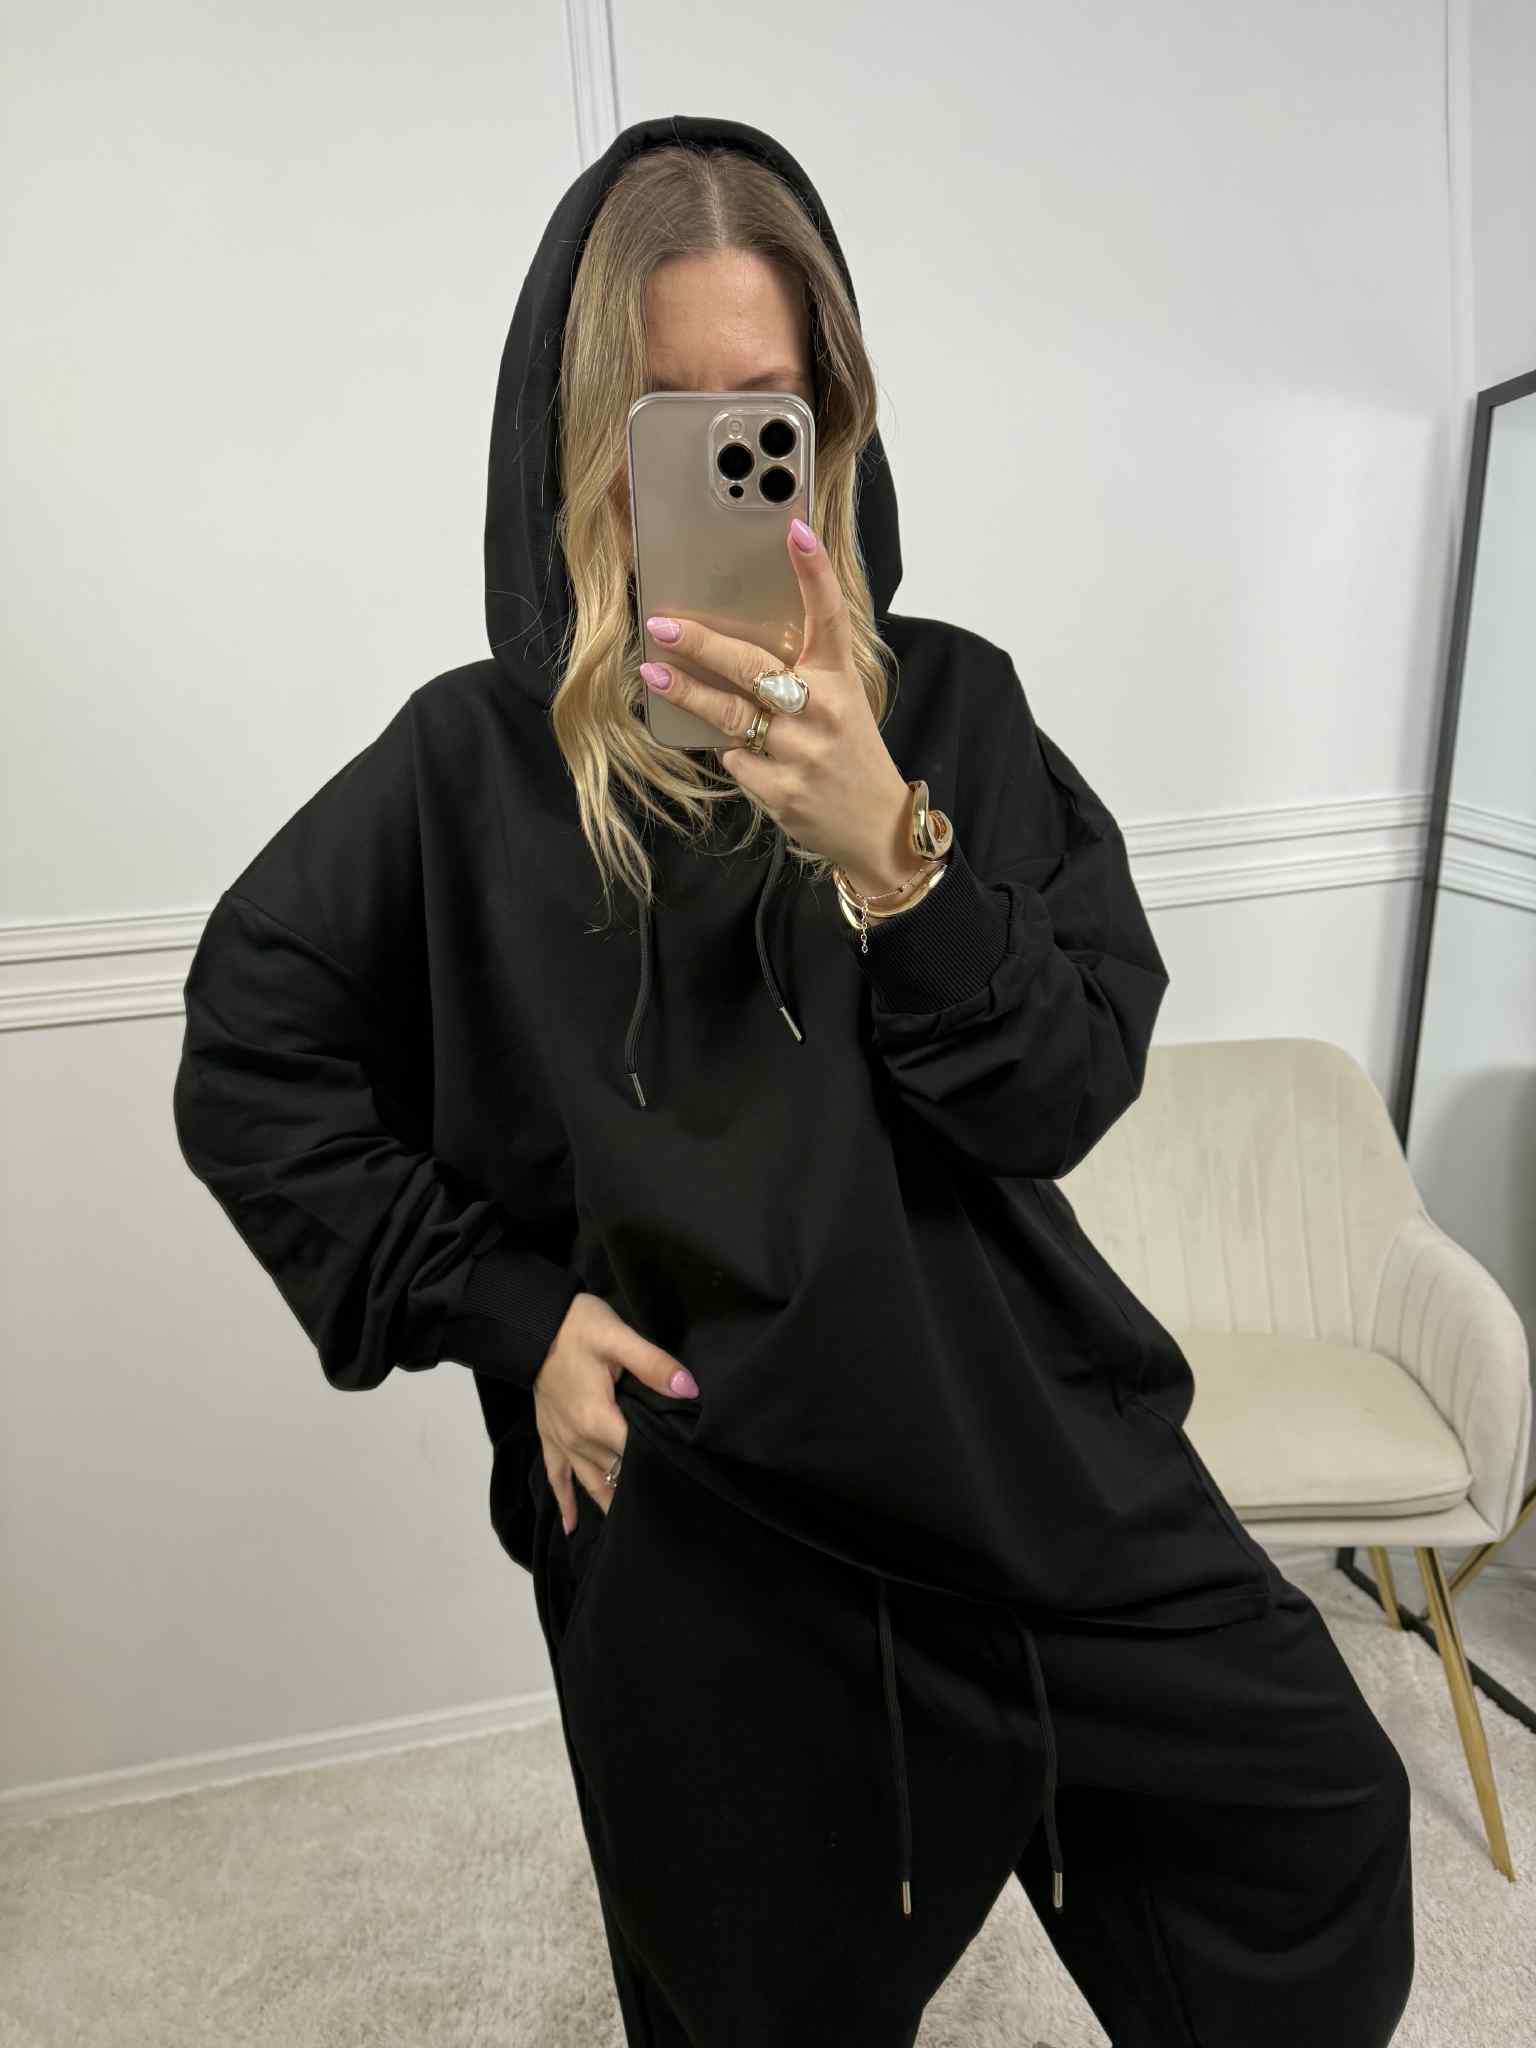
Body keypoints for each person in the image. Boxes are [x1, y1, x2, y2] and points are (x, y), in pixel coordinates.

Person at [173, 112, 1415, 2048]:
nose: (722, 456)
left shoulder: (955, 711)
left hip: (1020, 1462)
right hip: (705, 1511)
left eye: (762, 406)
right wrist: (504, 1306)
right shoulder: (470, 766)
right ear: (577, 434)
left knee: (1311, 1822)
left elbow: (1059, 1094)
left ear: (829, 417)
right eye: (664, 413)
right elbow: (256, 1049)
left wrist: (891, 851)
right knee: (751, 2002)